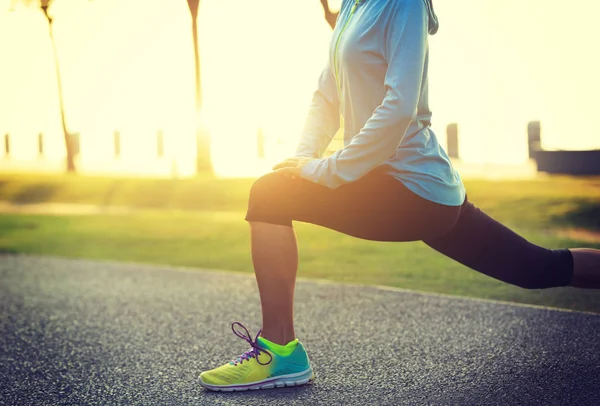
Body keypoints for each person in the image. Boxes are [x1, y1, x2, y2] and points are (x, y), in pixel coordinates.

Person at [199, 0, 600, 392]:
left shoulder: (403, 4)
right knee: (538, 269)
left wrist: (327, 170)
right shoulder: (355, 5)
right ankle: (282, 351)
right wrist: (302, 159)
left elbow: (399, 107)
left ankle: (280, 351)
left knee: (269, 195)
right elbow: (327, 94)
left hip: (415, 190)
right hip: (409, 190)